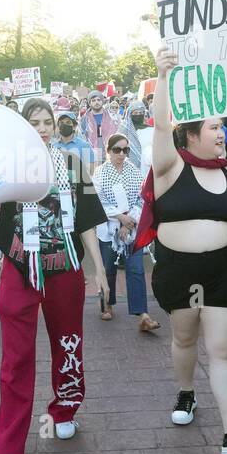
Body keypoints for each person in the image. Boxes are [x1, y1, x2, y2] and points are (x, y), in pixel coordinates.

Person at [0, 37, 108, 454]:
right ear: (23, 127)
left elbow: (86, 223)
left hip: (66, 270)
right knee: (16, 359)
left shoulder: (74, 165)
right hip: (19, 272)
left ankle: (65, 409)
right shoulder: (6, 165)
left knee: (68, 343)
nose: (42, 128)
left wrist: (98, 271)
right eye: (34, 121)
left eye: (47, 121)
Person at [138, 49, 227, 454]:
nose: (221, 134)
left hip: (221, 271)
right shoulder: (170, 168)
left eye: (223, 127)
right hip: (181, 273)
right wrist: (163, 76)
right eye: (214, 127)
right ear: (191, 133)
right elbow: (160, 124)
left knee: (223, 349)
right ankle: (187, 391)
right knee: (185, 337)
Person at [94, 132, 160, 332]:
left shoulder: (134, 171)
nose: (121, 154)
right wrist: (119, 218)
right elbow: (99, 202)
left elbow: (142, 198)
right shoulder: (100, 173)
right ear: (108, 151)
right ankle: (107, 302)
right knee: (109, 268)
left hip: (132, 228)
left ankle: (142, 314)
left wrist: (128, 222)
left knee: (136, 269)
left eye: (125, 150)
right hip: (109, 230)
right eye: (117, 150)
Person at [80, 90, 118, 161]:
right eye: (93, 100)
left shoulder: (111, 117)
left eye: (98, 100)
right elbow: (83, 137)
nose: (96, 102)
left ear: (102, 101)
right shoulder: (85, 119)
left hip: (110, 153)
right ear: (89, 103)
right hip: (92, 155)